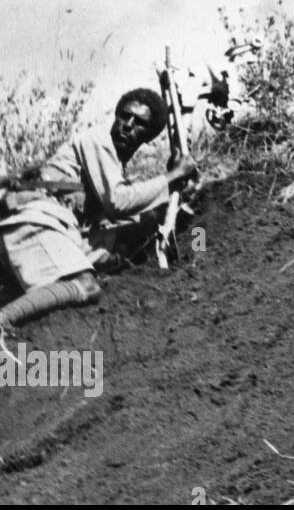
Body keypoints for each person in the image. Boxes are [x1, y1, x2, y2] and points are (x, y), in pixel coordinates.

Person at [0, 88, 199, 331]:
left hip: (41, 226)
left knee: (116, 248)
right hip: (35, 220)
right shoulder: (98, 139)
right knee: (86, 284)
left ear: (149, 136)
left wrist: (175, 196)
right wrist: (173, 176)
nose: (127, 125)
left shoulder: (114, 166)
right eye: (124, 116)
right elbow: (118, 202)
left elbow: (126, 212)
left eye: (139, 124)